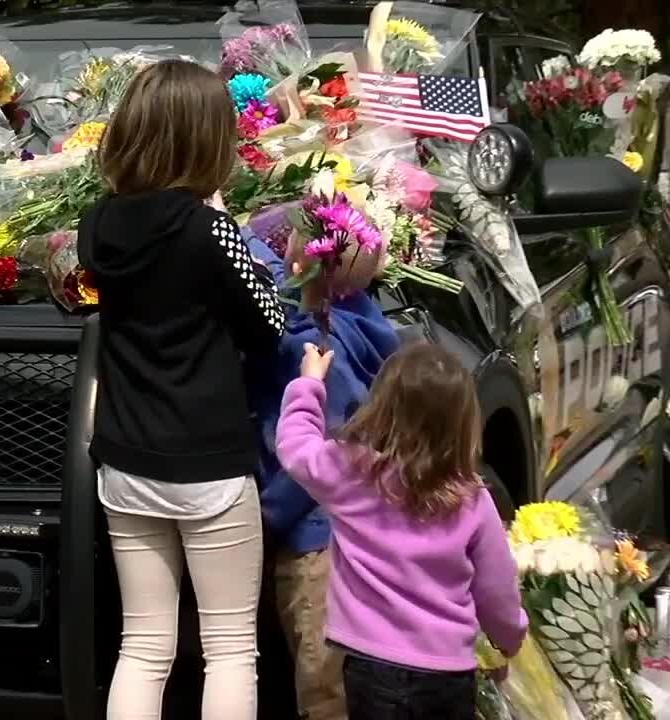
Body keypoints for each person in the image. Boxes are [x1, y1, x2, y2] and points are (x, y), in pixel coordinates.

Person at [78, 59, 285, 720]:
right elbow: (269, 325)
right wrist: (231, 230)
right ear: (206, 141)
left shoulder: (98, 225)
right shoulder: (208, 229)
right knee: (228, 650)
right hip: (209, 465)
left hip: (127, 458)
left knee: (142, 647)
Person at [275, 341, 527, 720]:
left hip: (370, 668)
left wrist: (309, 383)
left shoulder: (351, 473)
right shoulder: (473, 501)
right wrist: (509, 639)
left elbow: (295, 445)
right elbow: (497, 588)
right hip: (449, 673)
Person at [244, 239, 399, 720]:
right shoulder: (367, 326)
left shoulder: (308, 348)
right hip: (368, 540)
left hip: (315, 545)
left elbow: (304, 468)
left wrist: (263, 519)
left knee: (325, 685)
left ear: (296, 266)